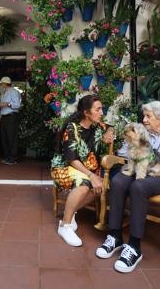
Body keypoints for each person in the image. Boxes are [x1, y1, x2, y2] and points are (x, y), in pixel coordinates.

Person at [95, 100, 160, 273]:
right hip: (139, 170)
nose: (144, 119)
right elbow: (122, 153)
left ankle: (134, 246)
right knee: (118, 182)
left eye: (148, 116)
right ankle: (115, 235)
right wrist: (130, 144)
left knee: (139, 187)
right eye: (144, 116)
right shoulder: (144, 132)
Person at [52, 95, 114, 247]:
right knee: (86, 183)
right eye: (98, 109)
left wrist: (109, 132)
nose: (101, 113)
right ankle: (65, 226)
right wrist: (92, 176)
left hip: (86, 170)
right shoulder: (72, 128)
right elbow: (71, 159)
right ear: (87, 113)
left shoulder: (98, 126)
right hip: (65, 168)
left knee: (102, 187)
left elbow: (112, 126)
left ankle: (70, 212)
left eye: (102, 109)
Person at [0, 76, 21, 165]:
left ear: (5, 83)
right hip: (5, 117)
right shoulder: (4, 92)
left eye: (1, 83)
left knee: (12, 138)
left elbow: (17, 105)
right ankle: (7, 157)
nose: (1, 85)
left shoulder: (14, 92)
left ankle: (13, 158)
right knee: (5, 138)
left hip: (11, 117)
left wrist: (7, 104)